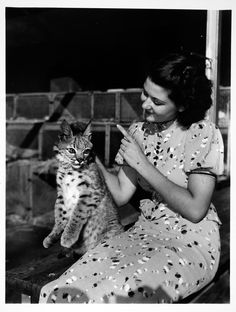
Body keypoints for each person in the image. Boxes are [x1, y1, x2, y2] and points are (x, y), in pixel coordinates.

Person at [39, 53, 224, 303]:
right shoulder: (138, 130)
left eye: (156, 101)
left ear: (181, 105)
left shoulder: (201, 132)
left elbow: (195, 210)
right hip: (144, 232)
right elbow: (120, 194)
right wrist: (88, 157)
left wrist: (143, 165)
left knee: (120, 297)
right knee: (64, 291)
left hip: (189, 242)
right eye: (144, 92)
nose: (145, 103)